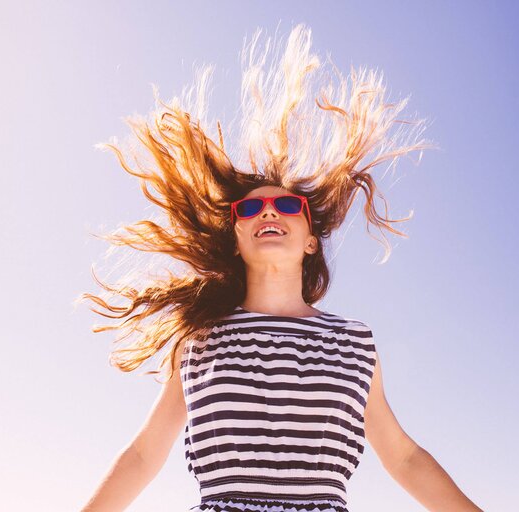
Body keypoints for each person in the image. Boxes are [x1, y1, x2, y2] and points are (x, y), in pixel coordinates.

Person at [78, 24, 483, 512]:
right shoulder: (200, 339)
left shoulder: (353, 344)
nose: (268, 212)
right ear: (237, 238)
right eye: (249, 210)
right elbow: (144, 454)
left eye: (286, 206)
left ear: (311, 240)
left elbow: (404, 458)